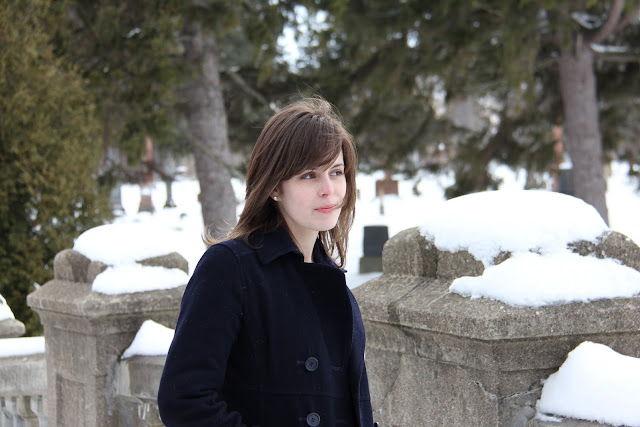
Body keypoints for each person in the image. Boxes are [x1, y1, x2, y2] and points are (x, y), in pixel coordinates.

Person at [157, 97, 377, 427]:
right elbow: (185, 400)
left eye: (336, 172)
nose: (329, 190)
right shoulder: (230, 267)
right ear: (274, 185)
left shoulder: (334, 283)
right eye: (309, 175)